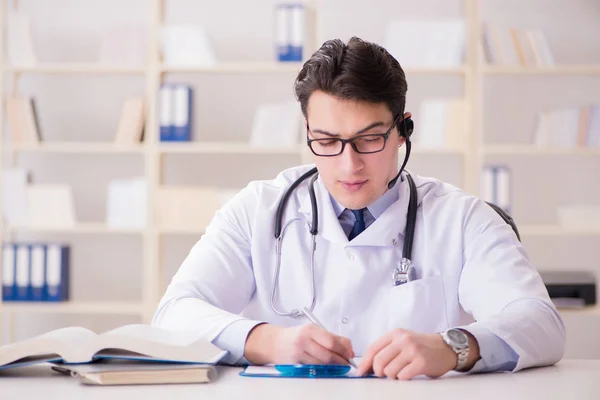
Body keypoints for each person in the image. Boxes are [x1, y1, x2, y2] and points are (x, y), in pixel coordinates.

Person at [152, 37, 565, 380]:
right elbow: (173, 314)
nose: (349, 165)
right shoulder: (257, 210)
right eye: (327, 141)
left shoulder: (463, 219)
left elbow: (539, 322)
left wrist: (453, 346)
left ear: (403, 130)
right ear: (308, 132)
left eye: (369, 139)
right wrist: (266, 340)